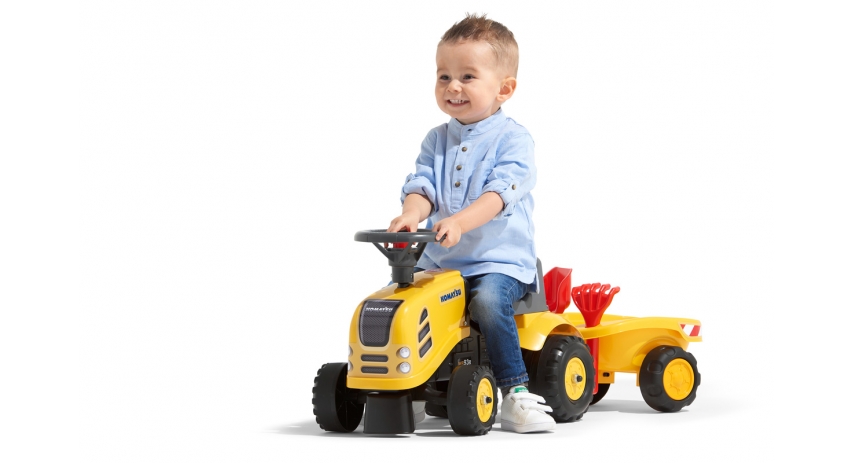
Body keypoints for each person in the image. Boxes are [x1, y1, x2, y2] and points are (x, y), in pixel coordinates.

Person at [387, 13, 555, 433]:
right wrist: (411, 213)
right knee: (400, 298)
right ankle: (409, 382)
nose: (452, 87)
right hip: (443, 263)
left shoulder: (514, 140)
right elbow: (423, 186)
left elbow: (498, 196)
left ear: (504, 89)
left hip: (498, 263)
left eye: (467, 76)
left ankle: (515, 393)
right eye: (443, 76)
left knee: (487, 302)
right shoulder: (436, 140)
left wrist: (460, 222)